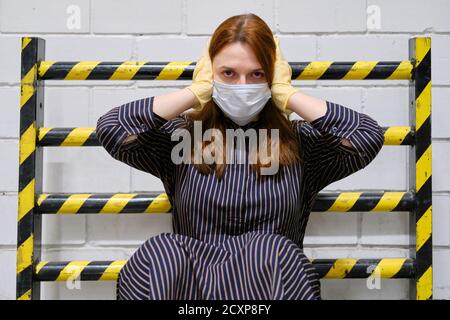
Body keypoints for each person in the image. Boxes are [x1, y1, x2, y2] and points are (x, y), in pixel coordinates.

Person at [96, 13, 385, 300]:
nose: (242, 85)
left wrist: (287, 94)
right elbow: (113, 130)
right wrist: (196, 92)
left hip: (269, 286)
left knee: (268, 249)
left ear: (272, 77)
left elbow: (366, 137)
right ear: (210, 74)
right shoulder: (182, 137)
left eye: (257, 74)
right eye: (228, 74)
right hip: (193, 290)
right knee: (160, 252)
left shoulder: (301, 143)